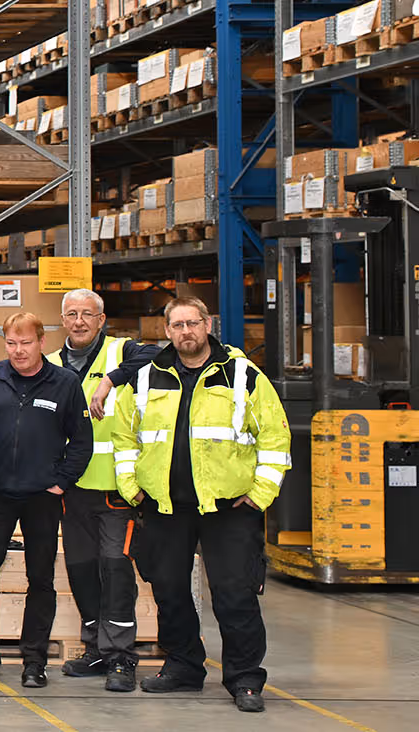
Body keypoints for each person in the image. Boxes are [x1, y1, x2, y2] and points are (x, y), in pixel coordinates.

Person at [112, 297, 289, 713]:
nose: (185, 332)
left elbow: (275, 438)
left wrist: (259, 495)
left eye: (192, 323)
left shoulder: (243, 375)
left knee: (235, 593)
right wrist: (131, 487)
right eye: (177, 325)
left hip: (230, 510)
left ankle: (245, 678)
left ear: (207, 324)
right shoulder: (145, 378)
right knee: (170, 591)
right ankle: (184, 667)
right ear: (167, 330)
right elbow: (124, 438)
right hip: (165, 508)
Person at [0, 313, 93, 687]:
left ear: (42, 342)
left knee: (40, 578)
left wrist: (60, 482)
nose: (18, 350)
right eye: (11, 342)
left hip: (42, 496)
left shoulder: (65, 383)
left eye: (26, 343)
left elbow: (82, 440)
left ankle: (34, 659)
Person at [49, 288, 159, 690]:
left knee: (115, 571)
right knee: (81, 571)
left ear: (101, 319)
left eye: (87, 315)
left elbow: (156, 355)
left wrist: (111, 380)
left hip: (114, 488)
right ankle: (95, 647)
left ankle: (120, 657)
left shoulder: (122, 352)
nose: (79, 321)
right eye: (72, 314)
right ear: (62, 320)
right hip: (70, 488)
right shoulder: (50, 364)